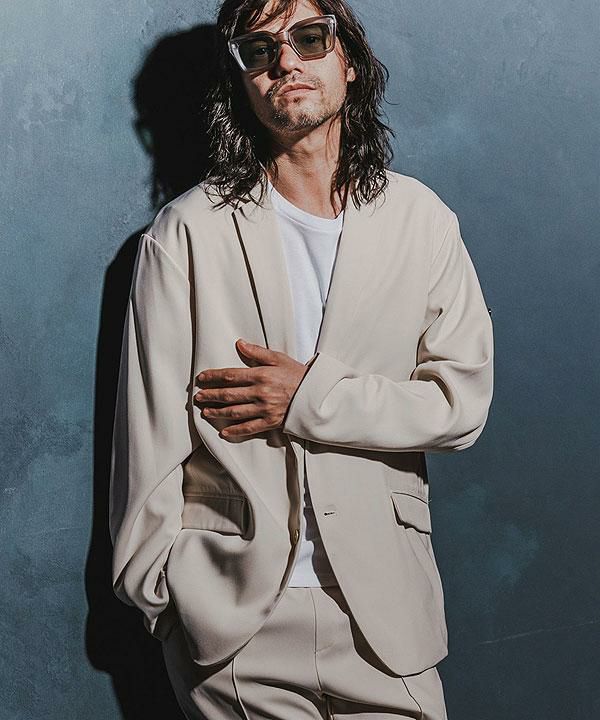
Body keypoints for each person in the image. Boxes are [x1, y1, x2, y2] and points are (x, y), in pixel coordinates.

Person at [109, 0, 494, 717]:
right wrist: (163, 596)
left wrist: (308, 397)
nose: (284, 61)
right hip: (235, 626)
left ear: (349, 62)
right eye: (258, 50)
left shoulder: (422, 222)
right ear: (242, 82)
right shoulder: (187, 233)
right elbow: (148, 435)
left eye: (309, 38)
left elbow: (459, 405)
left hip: (386, 620)